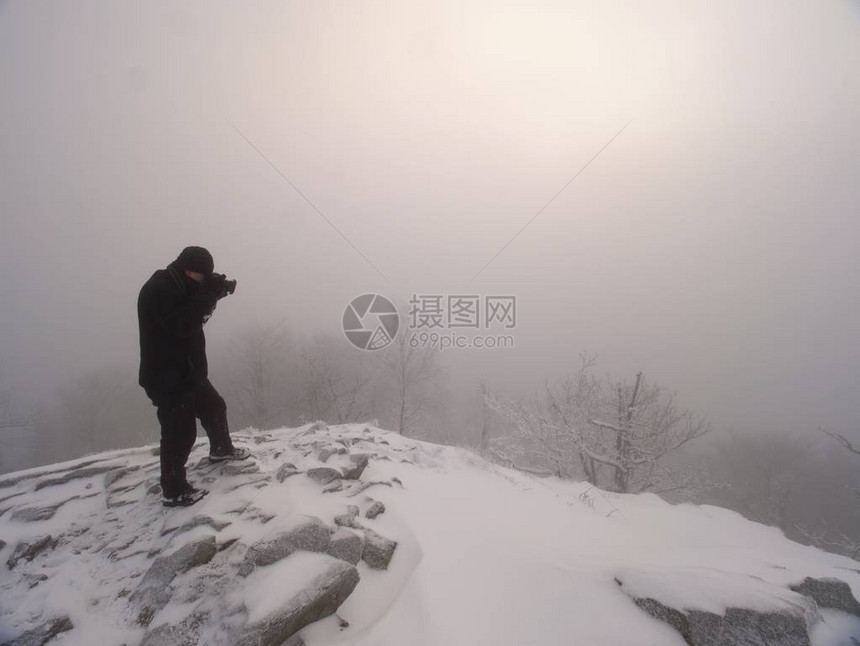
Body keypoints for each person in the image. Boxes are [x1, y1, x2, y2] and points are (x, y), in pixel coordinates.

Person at [138, 246, 250, 507]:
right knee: (180, 433)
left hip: (187, 371)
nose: (205, 281)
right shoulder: (160, 290)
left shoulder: (179, 282)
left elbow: (192, 307)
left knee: (214, 406)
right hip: (167, 377)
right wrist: (209, 293)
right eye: (203, 276)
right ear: (189, 270)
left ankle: (221, 450)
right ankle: (174, 489)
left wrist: (214, 291)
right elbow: (186, 321)